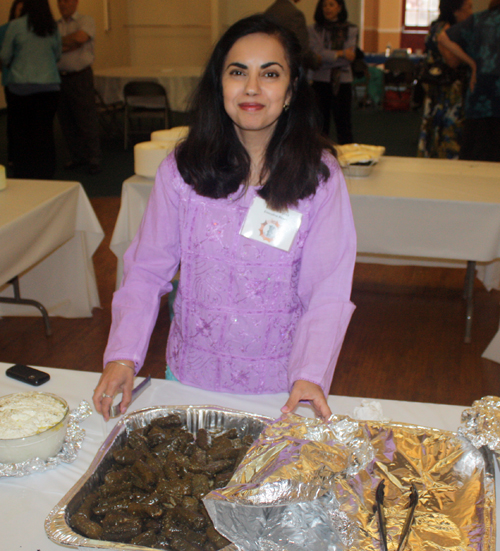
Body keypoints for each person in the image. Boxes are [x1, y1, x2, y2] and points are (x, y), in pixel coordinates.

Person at [93, 15, 356, 422]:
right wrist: (123, 356)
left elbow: (327, 291)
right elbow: (146, 270)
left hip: (282, 390)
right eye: (238, 72)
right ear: (219, 84)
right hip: (190, 379)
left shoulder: (318, 176)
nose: (252, 88)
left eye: (270, 73)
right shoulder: (183, 169)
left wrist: (310, 373)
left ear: (291, 90)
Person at [0, 0, 61, 179]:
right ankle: (46, 173)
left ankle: (24, 173)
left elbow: (4, 55)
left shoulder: (16, 26)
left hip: (21, 89)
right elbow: (57, 55)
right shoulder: (52, 27)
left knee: (22, 135)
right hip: (49, 88)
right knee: (45, 133)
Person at [438, 0, 500, 162]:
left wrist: (472, 64)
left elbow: (443, 38)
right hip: (486, 94)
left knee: (477, 154)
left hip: (481, 94)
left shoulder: (480, 19)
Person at [417, 0, 473, 159]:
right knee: (445, 128)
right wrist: (471, 60)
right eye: (468, 8)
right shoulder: (445, 29)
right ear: (456, 10)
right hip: (445, 89)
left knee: (437, 126)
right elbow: (452, 60)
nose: (470, 13)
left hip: (440, 87)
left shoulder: (439, 27)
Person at [57, 0, 101, 174]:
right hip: (60, 78)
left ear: (75, 2)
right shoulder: (54, 26)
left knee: (86, 118)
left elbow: (81, 38)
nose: (63, 4)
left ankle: (94, 157)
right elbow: (52, 48)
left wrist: (60, 43)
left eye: (66, 1)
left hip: (80, 76)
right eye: (60, 1)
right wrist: (69, 43)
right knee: (66, 120)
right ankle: (77, 156)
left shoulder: (86, 20)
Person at [308, 0, 358, 143]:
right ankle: (321, 160)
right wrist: (341, 54)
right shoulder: (313, 29)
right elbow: (316, 54)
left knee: (344, 124)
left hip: (342, 81)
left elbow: (350, 58)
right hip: (320, 81)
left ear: (339, 7)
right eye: (324, 5)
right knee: (320, 125)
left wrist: (326, 57)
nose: (327, 8)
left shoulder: (351, 29)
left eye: (331, 4)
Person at [0, 0, 24, 169]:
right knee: (14, 120)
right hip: (11, 80)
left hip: (27, 81)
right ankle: (13, 155)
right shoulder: (5, 30)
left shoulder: (32, 31)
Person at [265, 0, 321, 70]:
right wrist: (316, 61)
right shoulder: (295, 14)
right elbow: (301, 48)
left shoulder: (270, 10)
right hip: (290, 67)